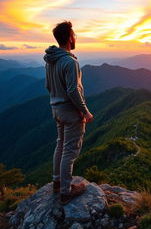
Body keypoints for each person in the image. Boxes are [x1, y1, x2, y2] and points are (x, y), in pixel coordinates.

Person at [44, 21, 93, 205]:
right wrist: (85, 112)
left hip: (55, 108)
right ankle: (66, 191)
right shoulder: (70, 62)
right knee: (70, 151)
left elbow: (48, 86)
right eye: (74, 34)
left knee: (61, 144)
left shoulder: (51, 60)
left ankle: (57, 181)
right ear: (70, 37)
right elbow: (74, 90)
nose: (75, 37)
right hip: (70, 112)